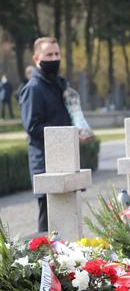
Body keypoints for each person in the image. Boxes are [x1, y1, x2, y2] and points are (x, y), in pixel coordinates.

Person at [19, 37, 72, 233]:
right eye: (49, 55)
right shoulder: (33, 89)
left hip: (64, 161)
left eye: (57, 54)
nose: (54, 58)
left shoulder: (60, 85)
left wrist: (76, 133)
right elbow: (32, 127)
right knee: (49, 231)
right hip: (45, 164)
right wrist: (62, 136)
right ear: (36, 59)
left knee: (68, 226)